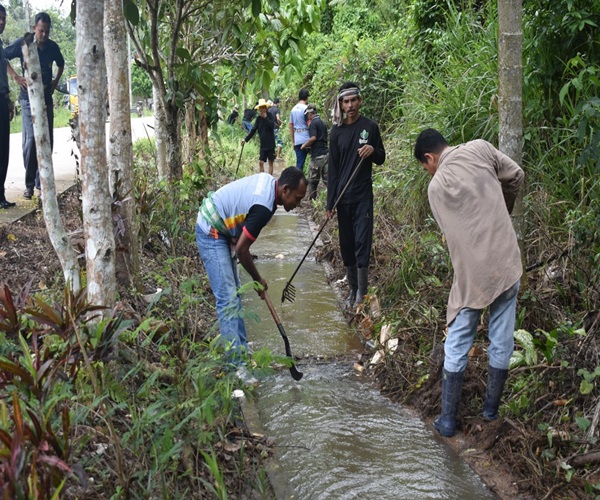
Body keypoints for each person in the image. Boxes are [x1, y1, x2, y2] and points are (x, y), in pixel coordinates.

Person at [413, 128, 524, 438]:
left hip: (472, 275)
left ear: (429, 158)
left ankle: (448, 420)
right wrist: (504, 208)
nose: (428, 172)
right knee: (502, 333)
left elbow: (451, 237)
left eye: (426, 168)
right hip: (506, 261)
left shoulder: (435, 189)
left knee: (460, 336)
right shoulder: (480, 148)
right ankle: (490, 412)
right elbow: (516, 174)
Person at [195, 167, 307, 368]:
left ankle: (241, 349)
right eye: (297, 199)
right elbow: (242, 250)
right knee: (228, 299)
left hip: (224, 230)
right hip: (211, 228)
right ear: (285, 190)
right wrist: (258, 280)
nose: (297, 205)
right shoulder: (264, 206)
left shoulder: (270, 186)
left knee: (236, 293)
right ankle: (236, 367)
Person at [327, 82, 385, 310]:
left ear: (360, 101)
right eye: (346, 101)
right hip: (343, 198)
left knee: (363, 242)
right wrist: (329, 203)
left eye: (353, 100)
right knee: (347, 245)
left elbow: (381, 157)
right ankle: (352, 288)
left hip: (363, 197)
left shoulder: (369, 127)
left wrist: (373, 150)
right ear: (340, 104)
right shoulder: (337, 133)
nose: (350, 105)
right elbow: (333, 169)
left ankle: (362, 292)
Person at [5, 12, 64, 200]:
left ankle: (41, 184)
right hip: (27, 98)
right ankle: (29, 184)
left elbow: (60, 64)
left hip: (45, 98)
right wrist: (15, 76)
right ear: (34, 28)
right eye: (41, 31)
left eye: (47, 31)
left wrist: (55, 82)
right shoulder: (24, 42)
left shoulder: (53, 47)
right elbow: (3, 56)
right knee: (31, 141)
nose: (44, 35)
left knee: (47, 140)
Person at [0, 5, 15, 209]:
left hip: (2, 100)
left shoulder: (1, 46)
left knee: (3, 150)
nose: (1, 22)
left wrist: (9, 99)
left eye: (3, 18)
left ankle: (0, 194)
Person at [300, 103, 328, 201]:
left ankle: (312, 202)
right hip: (326, 154)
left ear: (310, 114)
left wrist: (304, 145)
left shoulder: (313, 123)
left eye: (308, 115)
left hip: (317, 156)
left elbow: (313, 138)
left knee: (312, 181)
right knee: (327, 180)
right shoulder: (322, 123)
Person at [241, 98, 276, 175]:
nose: (261, 109)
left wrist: (265, 118)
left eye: (263, 107)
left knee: (270, 162)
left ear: (265, 108)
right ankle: (262, 179)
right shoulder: (258, 119)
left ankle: (269, 179)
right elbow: (253, 130)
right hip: (263, 145)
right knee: (260, 162)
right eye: (260, 108)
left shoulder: (270, 116)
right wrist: (245, 139)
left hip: (271, 144)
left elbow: (272, 126)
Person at [289, 89, 310, 171]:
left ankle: (297, 182)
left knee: (299, 164)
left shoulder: (293, 109)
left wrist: (293, 141)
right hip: (307, 138)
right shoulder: (306, 108)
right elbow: (310, 123)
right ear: (306, 98)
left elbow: (291, 126)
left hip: (297, 139)